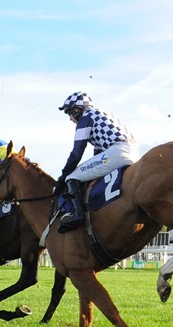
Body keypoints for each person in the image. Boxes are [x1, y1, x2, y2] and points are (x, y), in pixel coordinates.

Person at [55, 92, 139, 233]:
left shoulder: (85, 118)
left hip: (117, 152)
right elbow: (97, 154)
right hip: (132, 152)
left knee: (72, 178)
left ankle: (77, 215)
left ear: (77, 109)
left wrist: (63, 176)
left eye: (69, 112)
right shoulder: (102, 113)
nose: (70, 118)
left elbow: (76, 154)